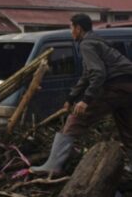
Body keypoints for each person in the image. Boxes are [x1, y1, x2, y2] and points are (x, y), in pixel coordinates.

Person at [30, 13, 132, 174]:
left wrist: (85, 100)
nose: (71, 31)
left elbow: (98, 73)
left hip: (115, 86)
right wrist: (71, 98)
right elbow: (86, 74)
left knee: (76, 118)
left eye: (71, 27)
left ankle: (53, 165)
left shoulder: (87, 44)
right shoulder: (96, 41)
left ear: (78, 28)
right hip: (128, 87)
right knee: (127, 126)